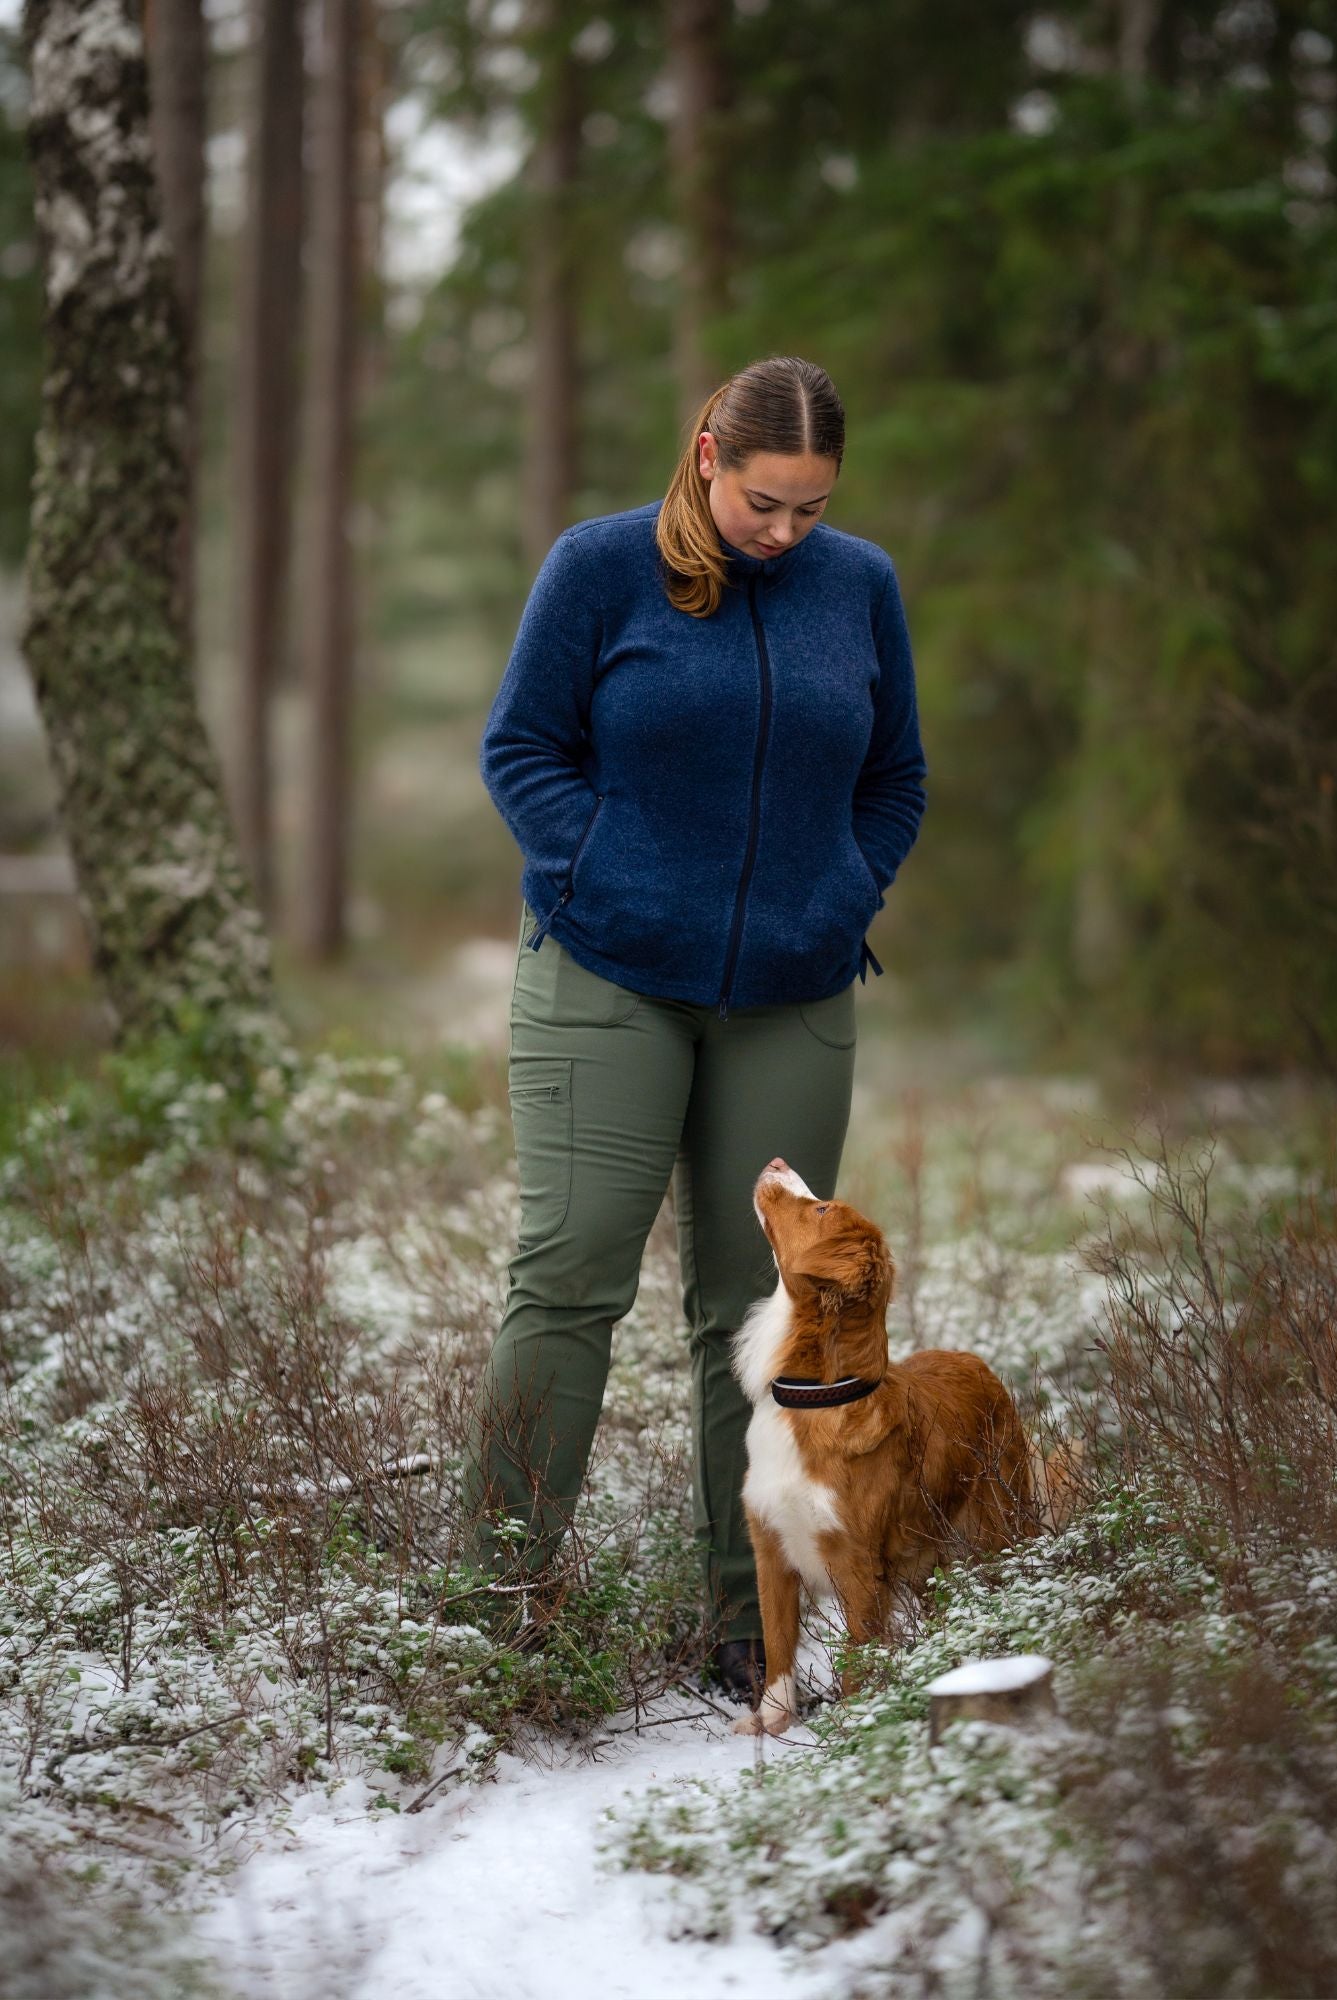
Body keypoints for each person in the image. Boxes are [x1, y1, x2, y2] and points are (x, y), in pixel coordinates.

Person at [460, 354, 927, 1701]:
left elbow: (895, 774)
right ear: (708, 454)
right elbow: (520, 748)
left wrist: (843, 891)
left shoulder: (863, 590)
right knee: (570, 1273)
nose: (786, 534)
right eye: (766, 503)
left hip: (792, 990)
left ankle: (749, 1617)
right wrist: (599, 865)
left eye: (812, 511)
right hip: (609, 975)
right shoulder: (600, 567)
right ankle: (498, 1594)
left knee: (766, 1310)